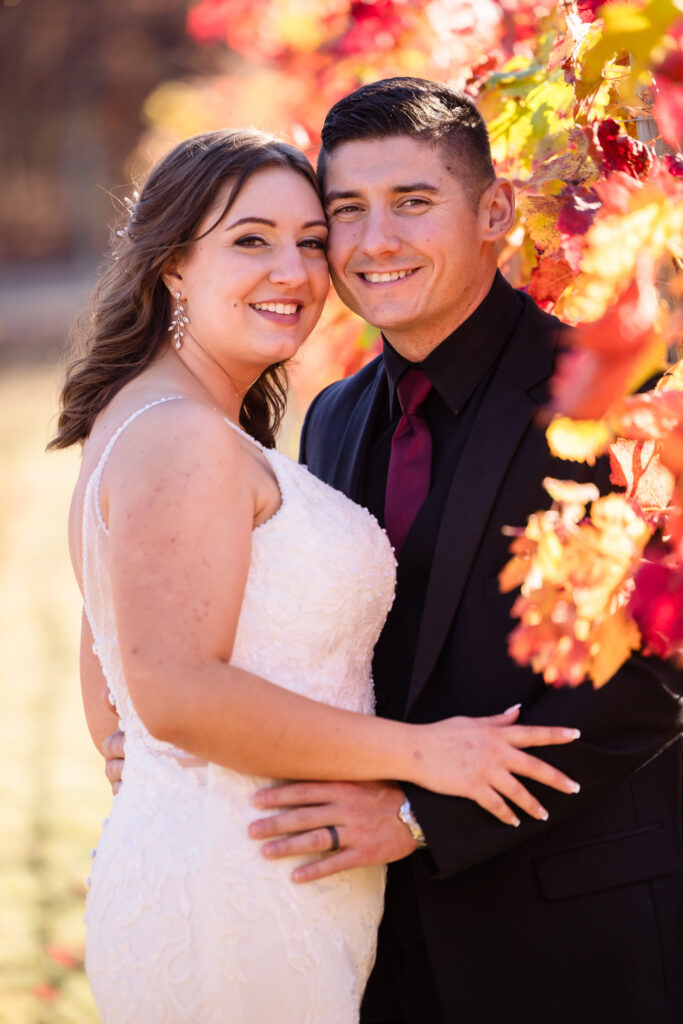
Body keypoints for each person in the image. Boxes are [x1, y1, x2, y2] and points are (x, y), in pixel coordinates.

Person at [51, 128, 581, 1023]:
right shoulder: (183, 437)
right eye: (249, 240)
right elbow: (170, 691)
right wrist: (424, 755)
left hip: (264, 864)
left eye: (307, 240)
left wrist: (157, 758)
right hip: (245, 888)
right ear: (173, 265)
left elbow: (116, 685)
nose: (293, 273)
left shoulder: (167, 421)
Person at [239, 80, 683, 1024]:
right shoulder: (334, 416)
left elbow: (657, 678)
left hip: (576, 937)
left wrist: (416, 818)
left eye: (411, 202)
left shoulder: (621, 391)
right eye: (345, 211)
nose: (373, 242)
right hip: (375, 944)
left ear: (493, 212)